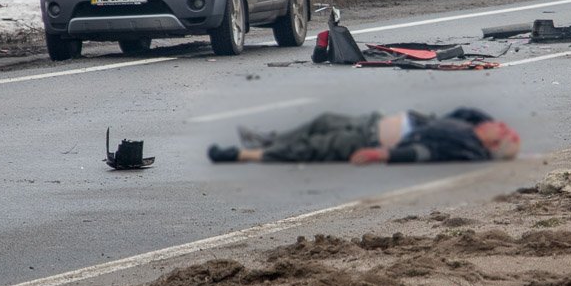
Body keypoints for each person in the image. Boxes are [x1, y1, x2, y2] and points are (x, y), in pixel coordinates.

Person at [207, 107, 520, 165]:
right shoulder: (470, 126)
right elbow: (466, 110)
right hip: (373, 123)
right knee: (324, 119)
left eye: (501, 130)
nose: (498, 123)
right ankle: (270, 139)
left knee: (316, 146)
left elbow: (426, 153)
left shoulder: (466, 144)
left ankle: (243, 155)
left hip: (371, 140)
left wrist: (383, 155)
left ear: (493, 143)